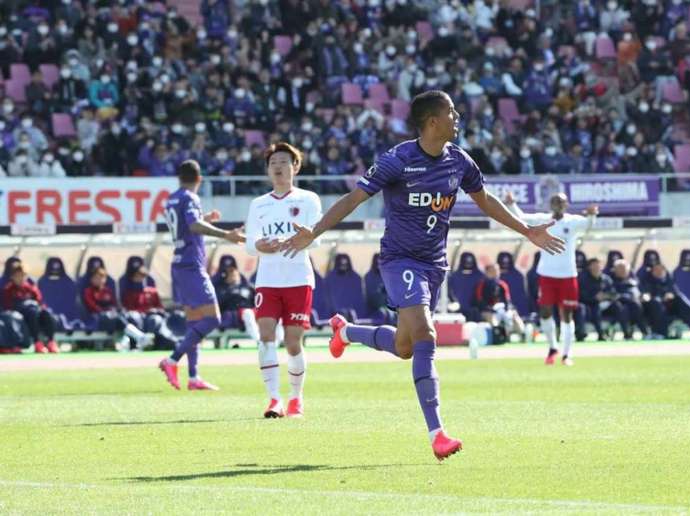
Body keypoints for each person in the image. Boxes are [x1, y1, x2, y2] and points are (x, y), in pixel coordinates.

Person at [281, 90, 564, 460]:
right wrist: (315, 231)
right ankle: (438, 433)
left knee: (405, 347)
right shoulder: (398, 160)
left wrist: (526, 229)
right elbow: (355, 198)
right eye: (451, 112)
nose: (457, 117)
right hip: (400, 261)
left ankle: (345, 332)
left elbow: (486, 201)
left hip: (434, 264)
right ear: (432, 121)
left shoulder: (459, 161)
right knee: (426, 334)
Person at [245, 142, 322, 419]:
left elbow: (318, 238)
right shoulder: (259, 204)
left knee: (292, 342)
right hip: (267, 280)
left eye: (283, 162)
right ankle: (273, 400)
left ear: (295, 167)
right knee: (265, 337)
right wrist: (259, 246)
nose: (278, 167)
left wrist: (303, 238)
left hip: (298, 278)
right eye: (273, 163)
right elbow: (249, 243)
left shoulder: (308, 200)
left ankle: (296, 399)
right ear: (267, 170)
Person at [158, 160, 245, 391]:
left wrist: (205, 219)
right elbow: (194, 226)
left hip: (179, 265)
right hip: (191, 265)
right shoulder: (190, 198)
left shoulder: (171, 199)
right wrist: (226, 234)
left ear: (179, 177)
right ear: (200, 179)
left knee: (195, 323)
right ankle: (172, 359)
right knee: (212, 319)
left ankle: (194, 376)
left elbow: (188, 225)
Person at [504, 192, 597, 367]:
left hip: (568, 275)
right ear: (550, 204)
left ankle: (567, 354)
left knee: (567, 315)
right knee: (546, 312)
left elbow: (588, 226)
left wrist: (592, 215)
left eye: (561, 202)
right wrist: (511, 204)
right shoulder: (542, 219)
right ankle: (553, 348)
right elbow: (521, 217)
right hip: (547, 274)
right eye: (555, 201)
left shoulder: (573, 221)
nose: (558, 204)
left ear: (566, 204)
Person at [82, 266, 154, 351]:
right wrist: (107, 312)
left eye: (102, 278)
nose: (99, 280)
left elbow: (114, 304)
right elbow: (92, 307)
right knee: (116, 317)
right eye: (96, 278)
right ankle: (140, 337)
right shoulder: (88, 291)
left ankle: (134, 346)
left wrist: (116, 311)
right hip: (97, 318)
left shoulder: (107, 290)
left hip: (112, 317)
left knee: (129, 317)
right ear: (92, 279)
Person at [2, 263, 58, 353]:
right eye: (17, 276)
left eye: (22, 275)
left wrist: (39, 308)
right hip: (21, 317)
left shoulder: (30, 288)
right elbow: (8, 307)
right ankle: (37, 343)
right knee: (32, 313)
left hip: (36, 313)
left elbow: (40, 302)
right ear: (12, 277)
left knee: (46, 313)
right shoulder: (8, 290)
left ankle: (51, 342)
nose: (20, 278)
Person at [641, 263, 690, 339]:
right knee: (657, 304)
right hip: (654, 307)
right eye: (656, 270)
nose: (659, 272)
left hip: (670, 307)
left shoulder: (669, 281)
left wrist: (671, 295)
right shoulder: (648, 282)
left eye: (661, 270)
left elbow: (675, 293)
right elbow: (646, 294)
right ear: (652, 272)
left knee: (680, 301)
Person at [578, 258, 627, 341]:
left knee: (618, 306)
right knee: (595, 309)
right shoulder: (584, 279)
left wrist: (606, 296)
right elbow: (582, 296)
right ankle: (600, 334)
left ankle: (626, 333)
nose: (597, 267)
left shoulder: (606, 279)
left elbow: (613, 293)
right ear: (589, 267)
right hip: (590, 304)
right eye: (594, 265)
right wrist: (594, 298)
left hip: (606, 303)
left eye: (598, 265)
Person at [474, 263, 524, 342]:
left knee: (514, 315)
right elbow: (479, 301)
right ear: (487, 272)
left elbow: (508, 300)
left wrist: (507, 309)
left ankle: (523, 335)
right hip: (489, 311)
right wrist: (491, 309)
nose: (496, 273)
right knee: (492, 318)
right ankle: (498, 337)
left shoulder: (502, 284)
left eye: (497, 270)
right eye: (493, 271)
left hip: (502, 309)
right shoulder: (481, 285)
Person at [611, 259, 651, 340]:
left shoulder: (635, 281)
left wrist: (644, 296)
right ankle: (640, 332)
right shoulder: (611, 281)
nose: (622, 271)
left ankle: (654, 332)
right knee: (628, 308)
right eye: (620, 268)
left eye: (624, 269)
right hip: (621, 304)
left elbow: (643, 292)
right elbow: (613, 294)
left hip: (638, 303)